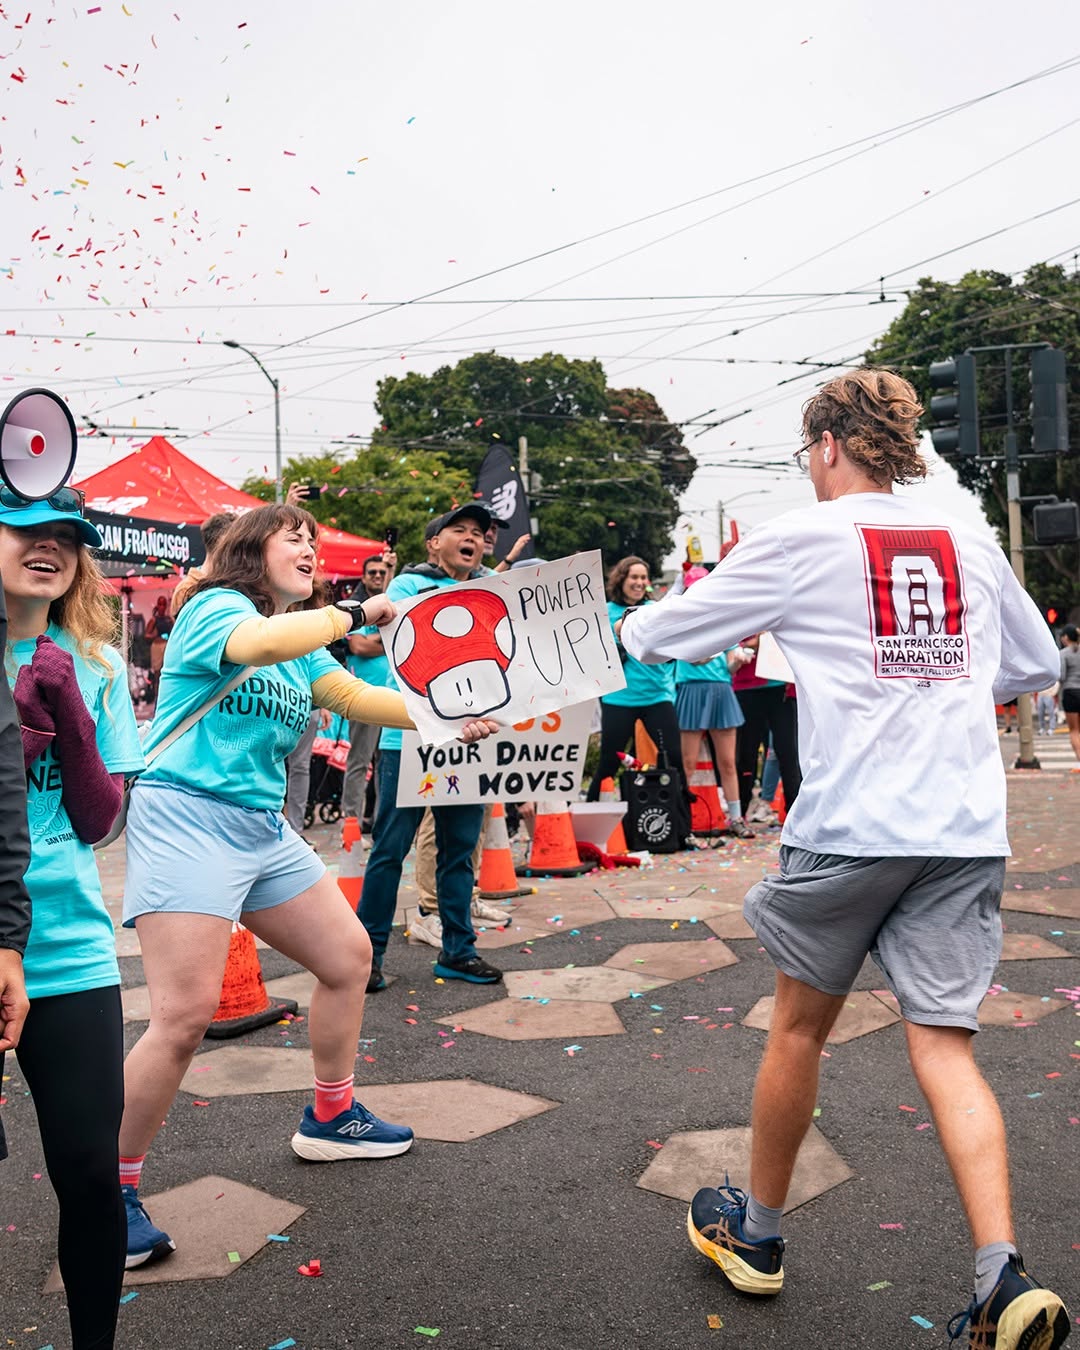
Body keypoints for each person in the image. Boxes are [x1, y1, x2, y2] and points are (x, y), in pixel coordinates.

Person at [618, 369, 1069, 1349]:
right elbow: (1036, 666)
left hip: (852, 823)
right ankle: (1002, 1272)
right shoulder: (970, 539)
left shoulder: (796, 537)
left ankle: (763, 1237)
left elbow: (656, 633)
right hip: (960, 828)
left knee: (798, 1031)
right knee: (945, 1042)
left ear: (826, 445)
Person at [116, 502, 495, 1270]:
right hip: (188, 815)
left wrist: (446, 718)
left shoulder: (305, 640)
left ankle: (330, 1116)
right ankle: (107, 1188)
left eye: (317, 543)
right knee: (184, 1017)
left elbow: (354, 699)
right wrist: (355, 610)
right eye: (297, 538)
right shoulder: (215, 609)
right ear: (250, 548)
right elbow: (259, 640)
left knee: (349, 959)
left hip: (261, 826)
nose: (313, 550)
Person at [1, 488, 145, 1350]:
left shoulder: (87, 662)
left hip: (71, 951)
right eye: (24, 530)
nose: (48, 548)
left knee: (90, 1171)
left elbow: (101, 822)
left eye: (66, 538)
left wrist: (72, 718)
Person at [359, 502, 506, 991]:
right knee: (390, 851)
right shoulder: (406, 588)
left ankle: (458, 951)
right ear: (433, 544)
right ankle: (368, 955)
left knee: (460, 853)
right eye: (459, 529)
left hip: (472, 744)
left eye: (478, 533)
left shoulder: (493, 591)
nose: (472, 537)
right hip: (409, 743)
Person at [586, 556, 692, 839]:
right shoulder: (603, 612)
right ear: (621, 579)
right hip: (618, 699)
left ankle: (682, 829)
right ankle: (593, 829)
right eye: (634, 577)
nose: (639, 582)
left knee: (672, 760)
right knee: (609, 762)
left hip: (658, 696)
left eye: (644, 578)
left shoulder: (655, 610)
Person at [339, 550, 398, 825]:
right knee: (360, 762)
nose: (377, 576)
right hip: (362, 695)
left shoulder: (392, 607)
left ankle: (379, 823)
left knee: (385, 764)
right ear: (363, 577)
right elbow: (358, 646)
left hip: (392, 697)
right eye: (372, 572)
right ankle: (350, 821)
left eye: (382, 573)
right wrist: (386, 642)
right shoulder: (353, 607)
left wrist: (377, 643)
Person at [144, 593, 173, 696]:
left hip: (167, 646)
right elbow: (146, 635)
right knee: (157, 674)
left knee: (167, 672)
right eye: (160, 604)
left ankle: (165, 695)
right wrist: (154, 636)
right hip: (157, 646)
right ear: (157, 605)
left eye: (163, 604)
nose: (162, 607)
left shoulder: (169, 619)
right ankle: (157, 696)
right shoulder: (154, 620)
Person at [1060, 623, 1080, 768]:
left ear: (1066, 637)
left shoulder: (1064, 654)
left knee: (1074, 730)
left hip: (1070, 692)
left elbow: (1061, 676)